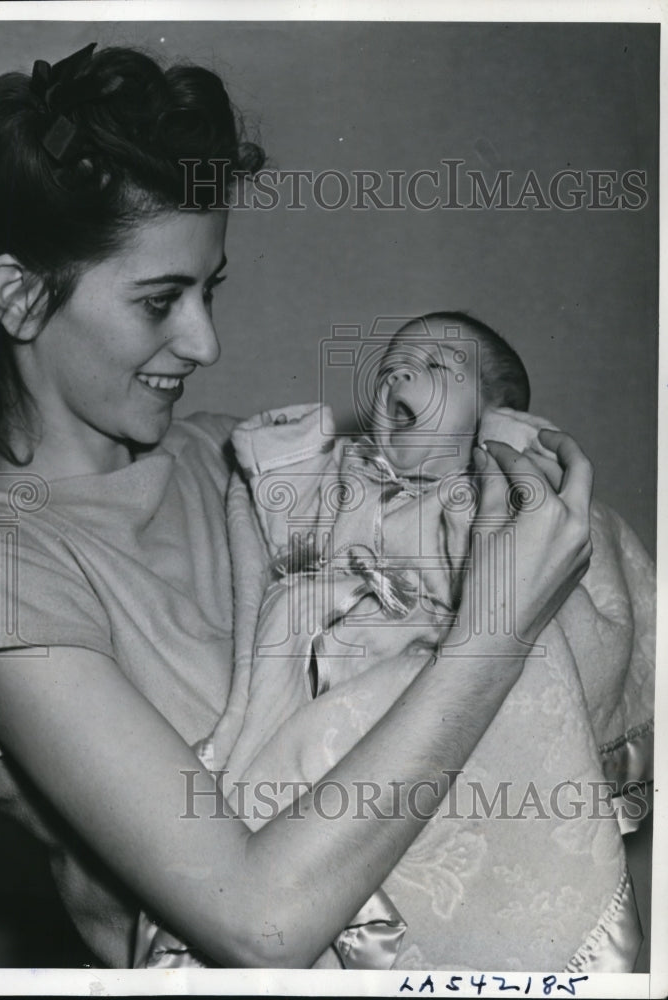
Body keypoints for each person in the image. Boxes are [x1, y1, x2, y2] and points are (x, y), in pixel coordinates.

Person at [0, 42, 600, 971]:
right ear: (20, 298)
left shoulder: (234, 456)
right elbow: (256, 923)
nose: (204, 341)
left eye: (209, 290)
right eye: (159, 301)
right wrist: (498, 628)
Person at [133, 313, 654, 970]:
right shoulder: (352, 475)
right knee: (281, 778)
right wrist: (290, 451)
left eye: (435, 366)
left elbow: (543, 593)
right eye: (390, 369)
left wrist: (505, 451)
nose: (398, 376)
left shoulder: (488, 496)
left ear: (493, 417)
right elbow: (286, 518)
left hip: (429, 679)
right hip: (327, 674)